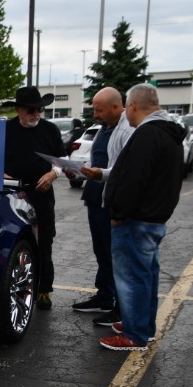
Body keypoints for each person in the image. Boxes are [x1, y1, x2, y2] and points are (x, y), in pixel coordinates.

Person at [100, 83, 184, 351]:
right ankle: (142, 326)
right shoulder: (169, 134)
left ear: (133, 106)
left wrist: (118, 213)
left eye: (127, 107)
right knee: (146, 275)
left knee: (132, 277)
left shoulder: (147, 134)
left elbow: (132, 179)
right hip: (153, 218)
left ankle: (134, 335)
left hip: (135, 220)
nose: (127, 113)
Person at [72, 86, 134, 328]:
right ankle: (105, 296)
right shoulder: (103, 129)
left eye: (99, 110)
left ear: (116, 107)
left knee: (115, 254)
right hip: (95, 197)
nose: (95, 115)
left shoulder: (127, 130)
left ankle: (120, 308)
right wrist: (79, 171)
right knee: (101, 251)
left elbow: (124, 169)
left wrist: (100, 173)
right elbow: (96, 159)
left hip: (111, 200)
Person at [2, 86, 66, 310]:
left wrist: (52, 174)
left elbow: (61, 160)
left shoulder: (50, 130)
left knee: (44, 241)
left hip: (41, 193)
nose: (36, 114)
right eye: (31, 110)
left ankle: (44, 289)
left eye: (39, 109)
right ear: (18, 110)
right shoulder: (5, 130)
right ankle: (16, 288)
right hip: (12, 194)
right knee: (13, 241)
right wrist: (2, 174)